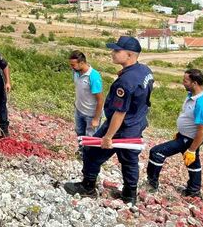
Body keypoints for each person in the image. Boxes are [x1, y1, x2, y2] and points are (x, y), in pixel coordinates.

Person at [64, 36, 154, 205]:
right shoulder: (145, 71)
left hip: (120, 126)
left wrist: (108, 137)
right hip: (136, 123)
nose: (112, 53)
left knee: (91, 151)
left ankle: (88, 186)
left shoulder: (126, 82)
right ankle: (129, 195)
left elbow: (119, 112)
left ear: (129, 55)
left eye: (116, 51)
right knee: (129, 160)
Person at [146, 69, 203, 198]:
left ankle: (151, 184)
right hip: (185, 136)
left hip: (189, 139)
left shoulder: (202, 103)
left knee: (157, 152)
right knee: (192, 163)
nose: (183, 83)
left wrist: (192, 149)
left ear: (194, 83)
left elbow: (202, 129)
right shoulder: (191, 97)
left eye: (185, 81)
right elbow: (188, 118)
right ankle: (193, 191)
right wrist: (180, 132)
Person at [69, 50, 105, 150]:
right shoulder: (76, 72)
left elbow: (100, 100)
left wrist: (96, 119)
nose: (71, 67)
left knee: (91, 138)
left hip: (91, 114)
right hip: (79, 110)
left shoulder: (93, 76)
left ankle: (89, 158)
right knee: (80, 132)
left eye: (73, 65)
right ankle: (81, 151)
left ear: (82, 63)